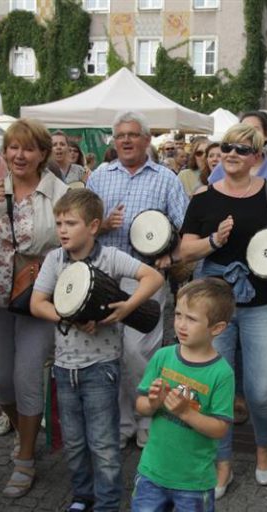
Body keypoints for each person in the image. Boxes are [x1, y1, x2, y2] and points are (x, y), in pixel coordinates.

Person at [180, 123, 267, 497]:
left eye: (241, 149)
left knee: (259, 391)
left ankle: (263, 446)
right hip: (214, 308)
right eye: (226, 147)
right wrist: (213, 240)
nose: (231, 154)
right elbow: (184, 250)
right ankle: (221, 462)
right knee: (216, 389)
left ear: (257, 156)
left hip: (263, 304)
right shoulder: (203, 198)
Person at [31, 188, 163, 512]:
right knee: (74, 442)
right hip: (64, 366)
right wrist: (69, 316)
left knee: (103, 442)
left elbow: (153, 276)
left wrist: (125, 307)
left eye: (70, 223)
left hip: (101, 366)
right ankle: (81, 496)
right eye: (59, 222)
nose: (62, 229)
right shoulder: (54, 259)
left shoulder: (110, 257)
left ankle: (106, 503)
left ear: (92, 226)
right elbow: (37, 303)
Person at [0, 118, 69, 498]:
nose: (19, 154)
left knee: (27, 379)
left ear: (43, 154)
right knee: (2, 382)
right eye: (13, 147)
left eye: (28, 148)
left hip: (36, 303)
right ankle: (22, 428)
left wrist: (48, 266)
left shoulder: (58, 192)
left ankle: (25, 458)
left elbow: (73, 245)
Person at [87, 111, 189, 450]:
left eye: (133, 135)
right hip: (103, 276)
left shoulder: (166, 178)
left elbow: (183, 227)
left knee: (138, 351)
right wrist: (100, 226)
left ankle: (147, 417)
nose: (126, 141)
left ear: (147, 140)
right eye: (120, 136)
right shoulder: (99, 177)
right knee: (110, 352)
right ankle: (124, 423)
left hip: (143, 278)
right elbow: (80, 221)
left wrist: (169, 251)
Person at [132, 278, 235, 512]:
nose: (181, 325)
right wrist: (152, 403)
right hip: (151, 472)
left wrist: (185, 412)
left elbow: (220, 428)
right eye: (178, 315)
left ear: (217, 328)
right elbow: (140, 404)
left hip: (194, 482)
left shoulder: (221, 373)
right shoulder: (163, 357)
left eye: (191, 319)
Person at [207, 111, 267, 196]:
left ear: (266, 134)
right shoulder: (223, 167)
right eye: (244, 129)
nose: (249, 134)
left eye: (255, 129)